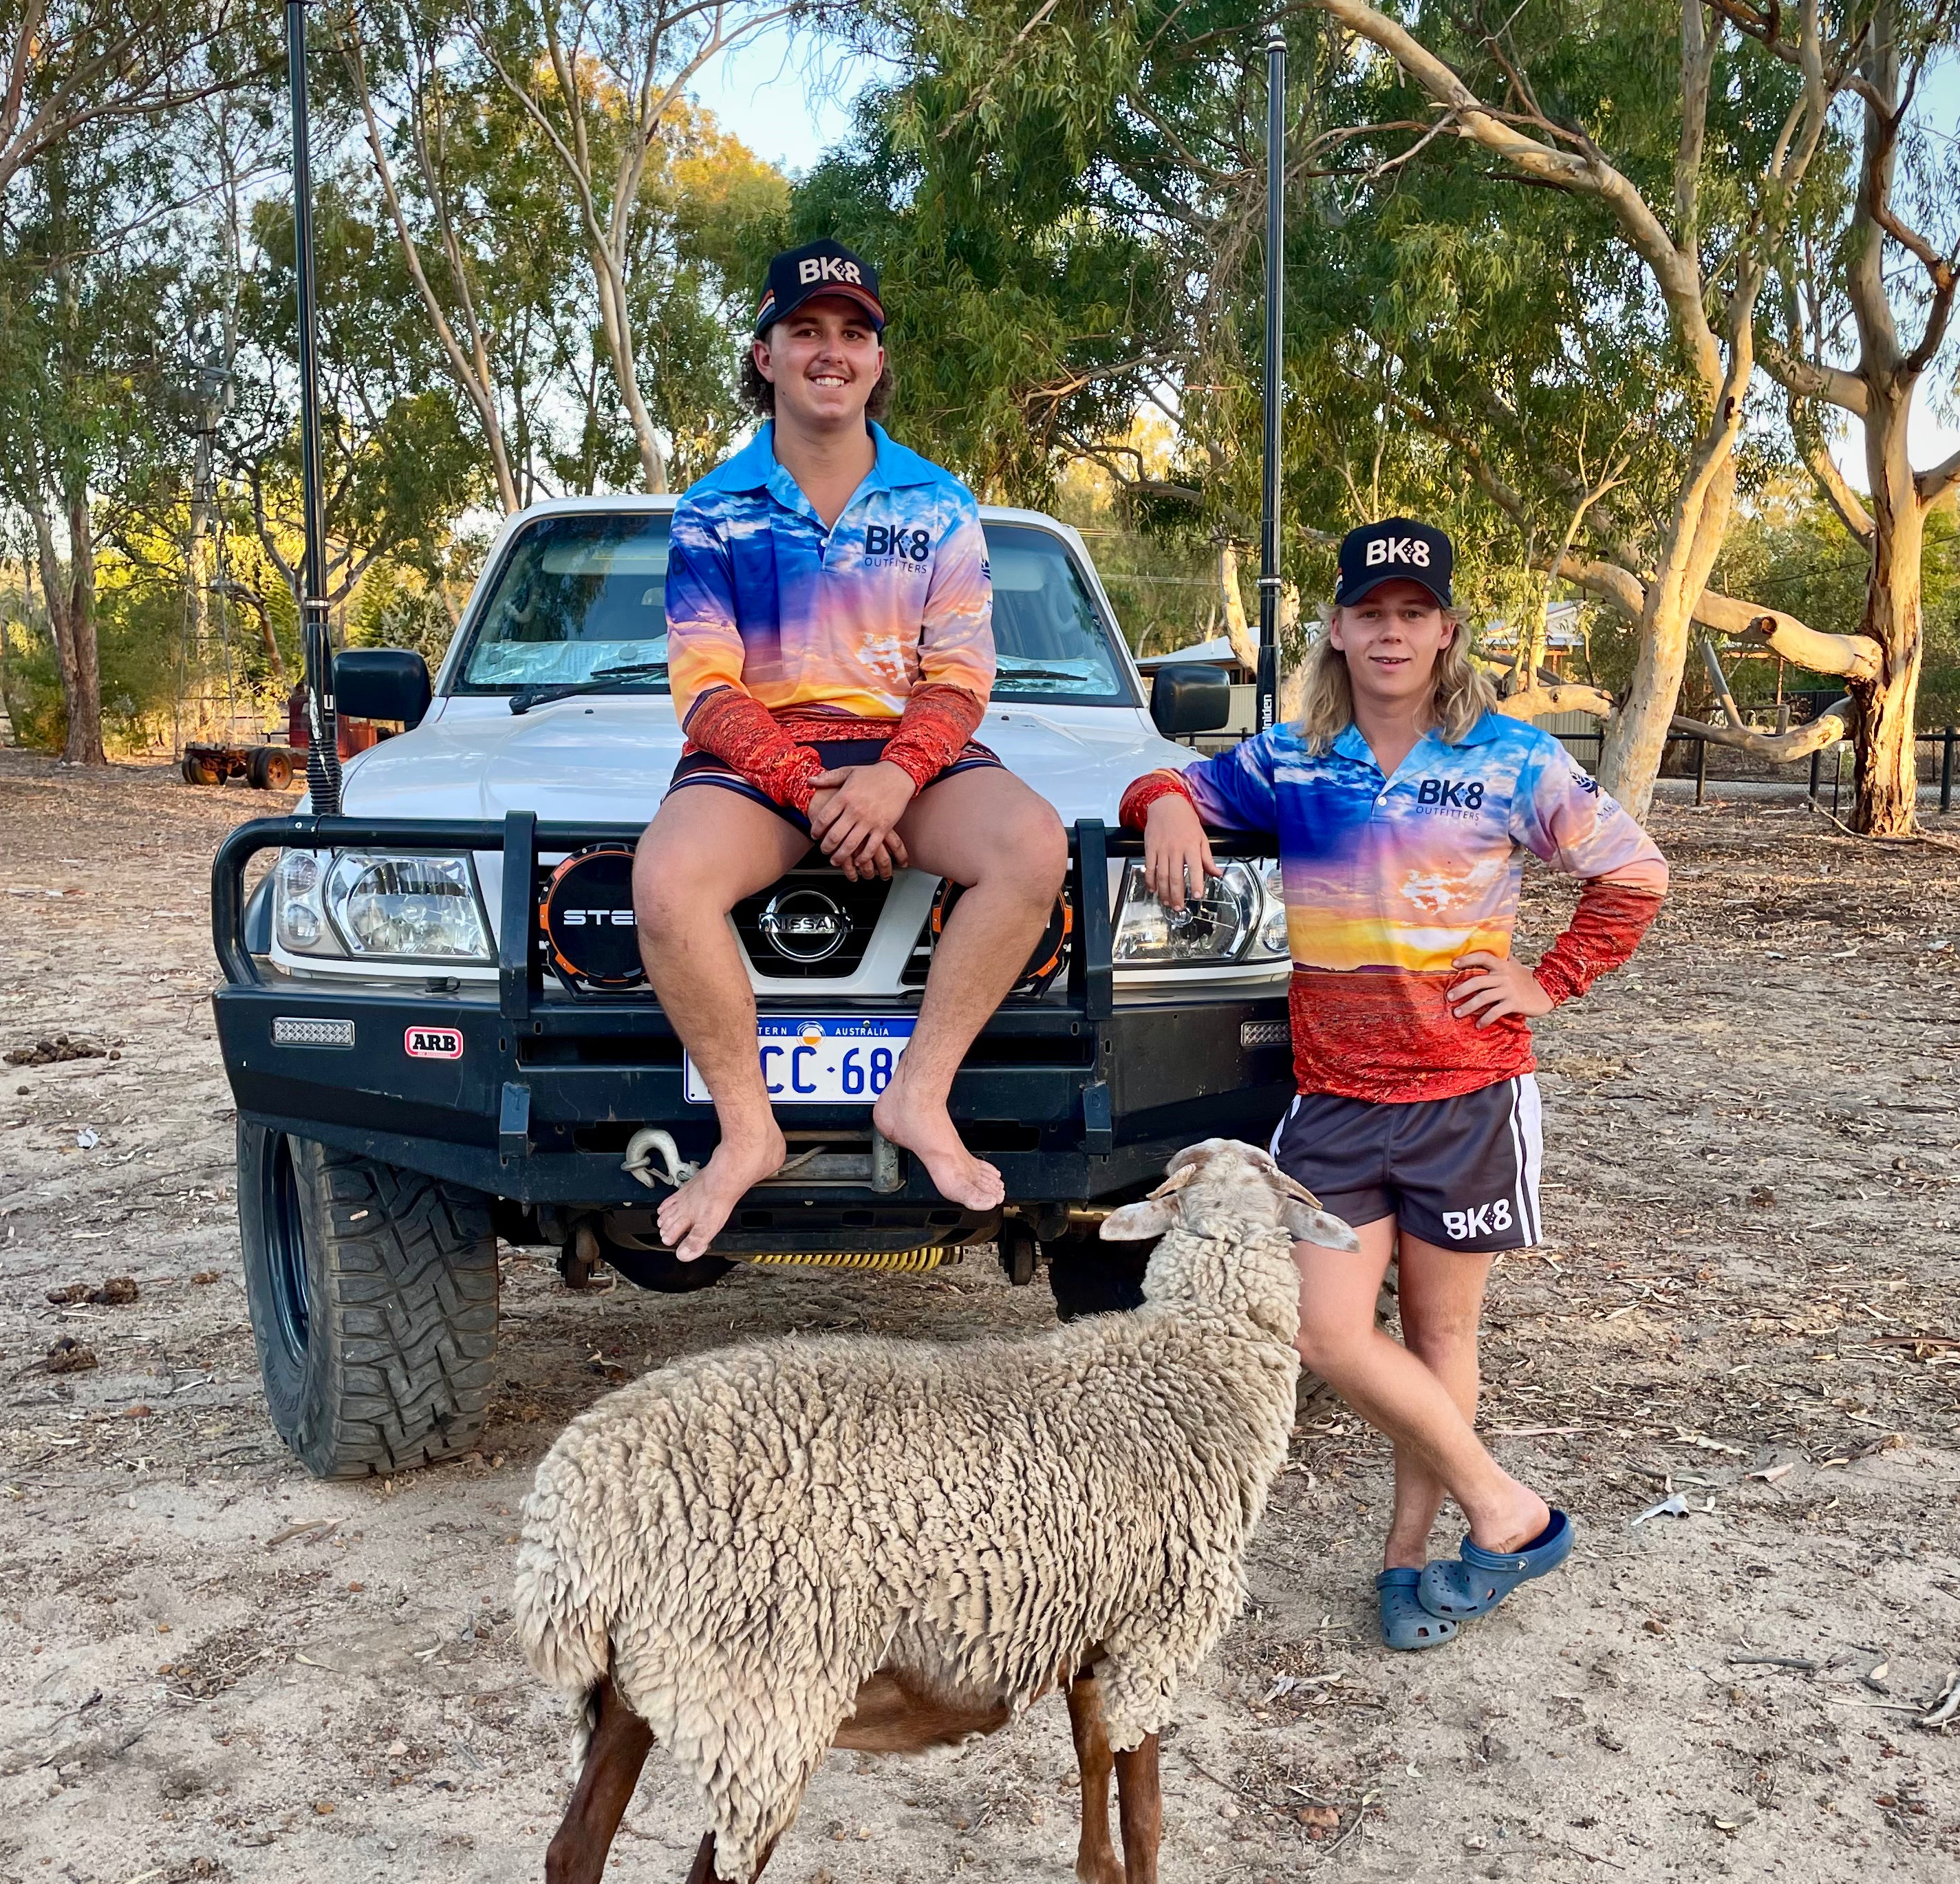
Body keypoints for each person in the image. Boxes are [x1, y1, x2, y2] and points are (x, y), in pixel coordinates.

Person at [1120, 516, 1668, 1650]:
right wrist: (1167, 803)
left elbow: (1635, 873)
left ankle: (1408, 1557)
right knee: (1325, 1332)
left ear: (1447, 630)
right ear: (1336, 627)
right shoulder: (1291, 759)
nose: (1391, 632)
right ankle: (1508, 1511)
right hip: (1332, 1100)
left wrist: (1549, 979)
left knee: (1438, 1337)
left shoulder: (1511, 759)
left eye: (1414, 613)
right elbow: (1166, 781)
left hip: (1468, 1095)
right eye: (1371, 612)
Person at [633, 238, 1070, 1263]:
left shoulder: (939, 504)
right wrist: (815, 791)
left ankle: (919, 1095)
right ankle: (748, 1130)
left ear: (877, 361)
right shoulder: (713, 507)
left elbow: (960, 677)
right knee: (663, 882)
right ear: (767, 355)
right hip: (758, 760)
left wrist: (891, 781)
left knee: (1032, 846)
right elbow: (704, 687)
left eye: (853, 333)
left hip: (903, 752)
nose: (831, 350)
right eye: (807, 331)